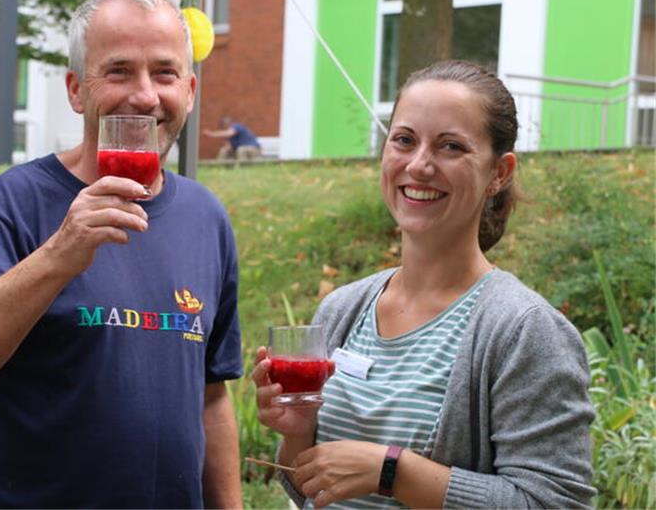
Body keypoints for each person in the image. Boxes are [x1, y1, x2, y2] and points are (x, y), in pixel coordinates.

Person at [0, 0, 243, 508]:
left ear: (190, 90)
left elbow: (210, 396)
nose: (144, 95)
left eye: (164, 73)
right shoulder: (17, 202)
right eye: (118, 71)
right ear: (75, 90)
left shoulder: (205, 217)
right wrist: (58, 255)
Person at [252, 60, 596, 509]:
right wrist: (297, 434)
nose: (419, 165)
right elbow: (313, 488)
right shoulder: (342, 309)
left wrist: (393, 471)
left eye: (451, 146)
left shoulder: (523, 330)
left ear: (500, 172)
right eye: (404, 140)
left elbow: (555, 503)